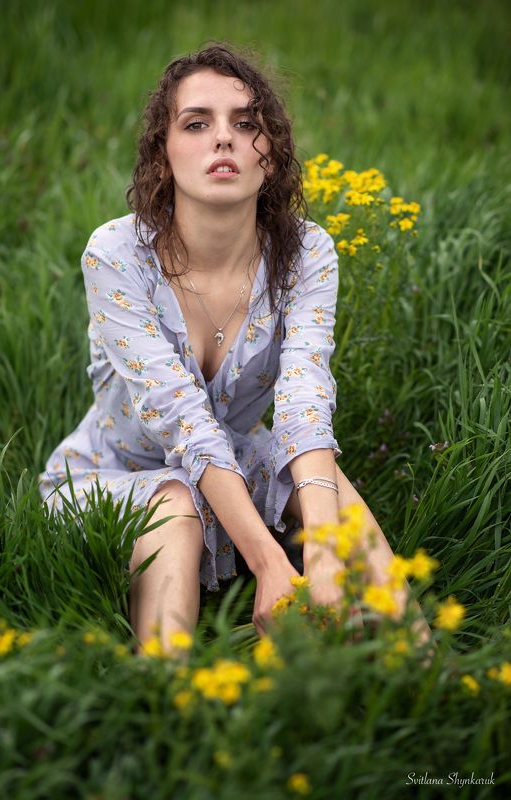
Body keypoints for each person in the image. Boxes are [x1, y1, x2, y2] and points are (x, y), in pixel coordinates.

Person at [38, 43, 433, 657]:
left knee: (328, 487)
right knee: (173, 504)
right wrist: (271, 563)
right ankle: (169, 700)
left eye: (245, 123)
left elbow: (304, 400)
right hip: (118, 472)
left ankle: (425, 670)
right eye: (196, 123)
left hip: (237, 457)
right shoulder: (117, 255)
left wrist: (325, 549)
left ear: (269, 155)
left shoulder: (306, 254)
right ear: (163, 156)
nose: (224, 138)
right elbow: (182, 420)